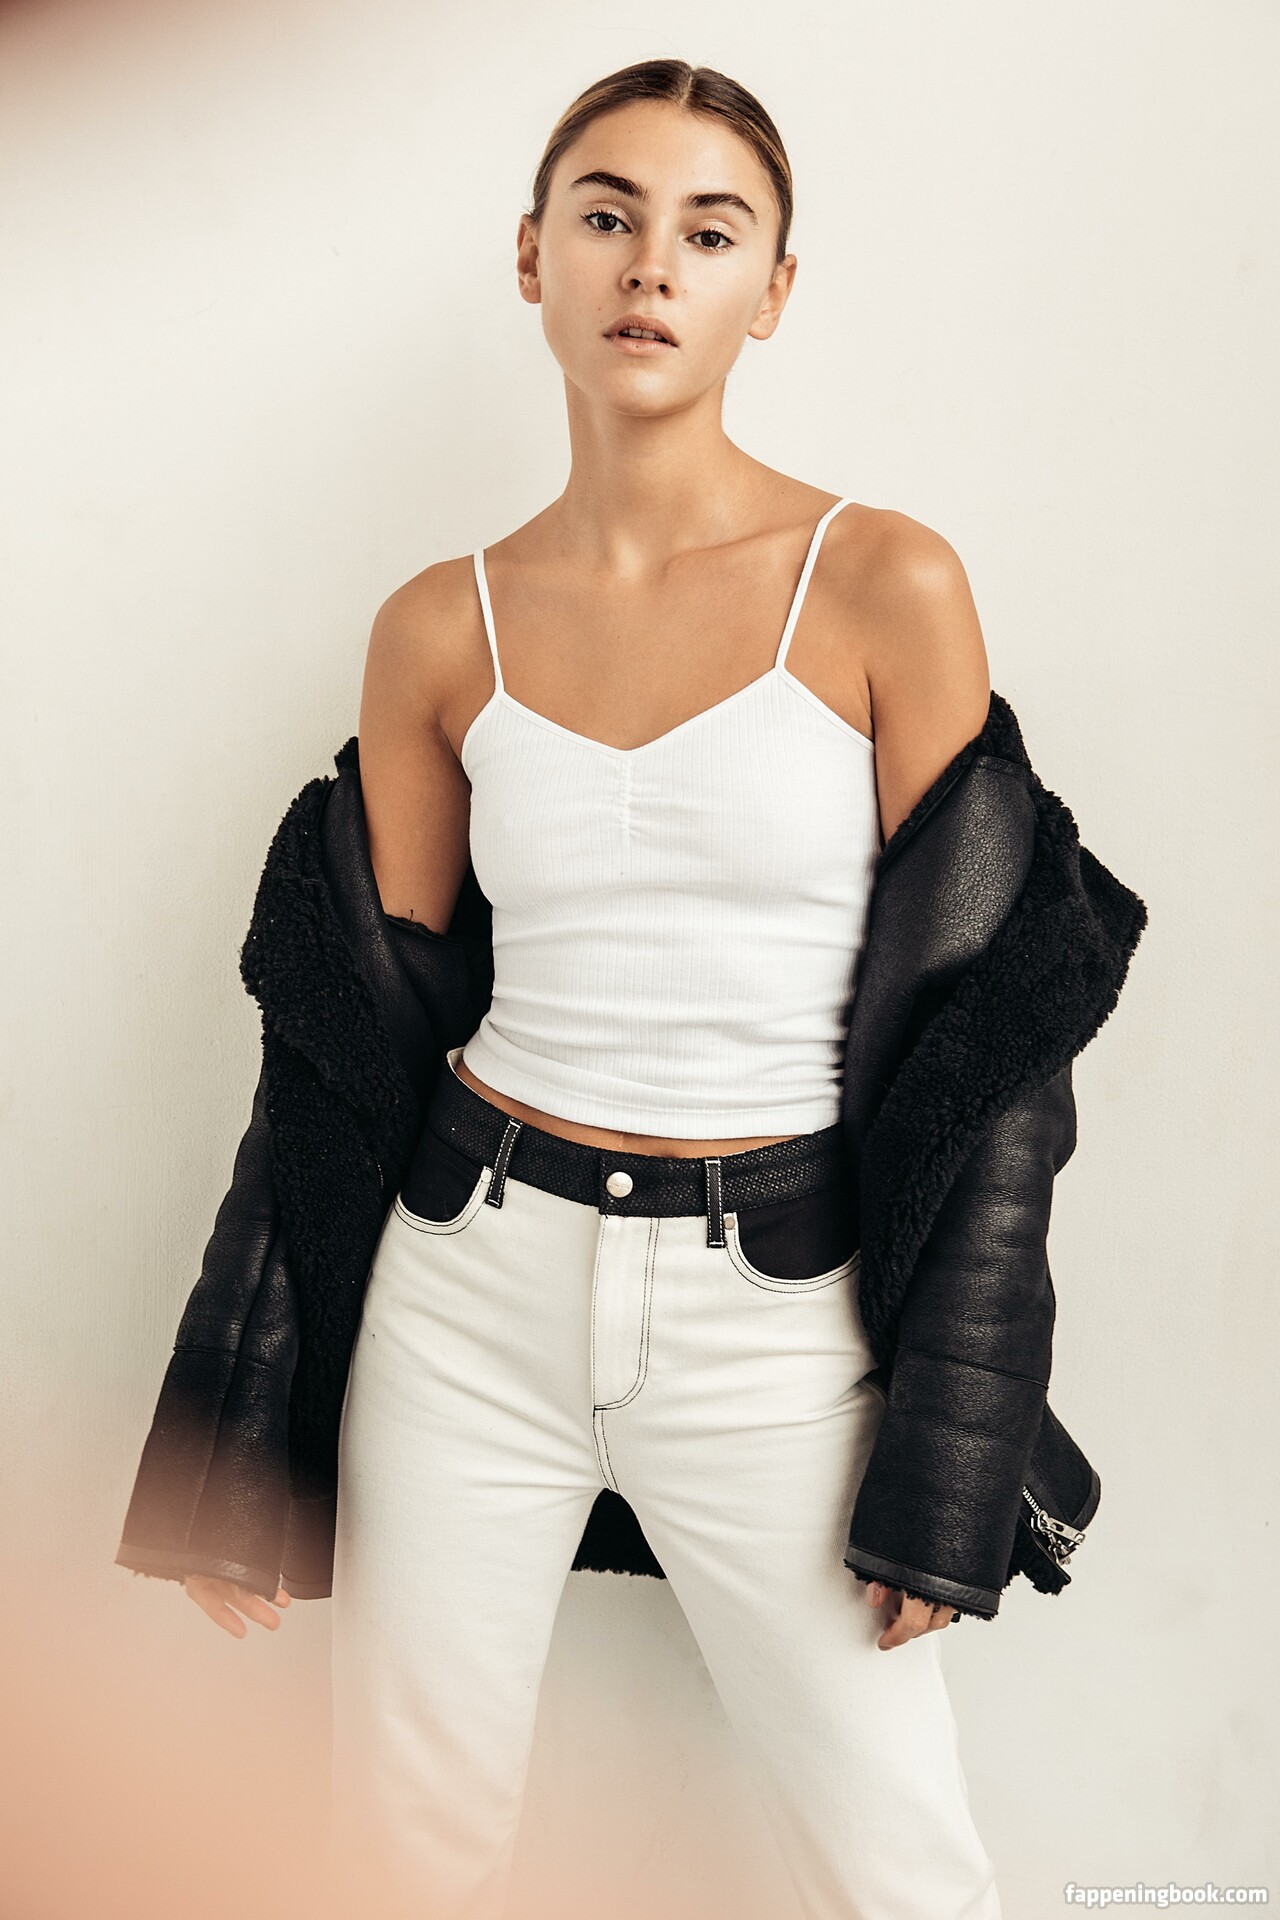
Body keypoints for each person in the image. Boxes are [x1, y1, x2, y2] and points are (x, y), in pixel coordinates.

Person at [115, 56, 1148, 1920]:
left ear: (775, 288)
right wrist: (234, 1431)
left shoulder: (886, 584)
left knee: (903, 1871)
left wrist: (955, 1445)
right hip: (467, 1296)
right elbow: (348, 1041)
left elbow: (994, 1047)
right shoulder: (438, 625)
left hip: (778, 1313)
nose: (651, 264)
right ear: (533, 257)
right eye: (606, 215)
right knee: (401, 1866)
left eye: (709, 229)